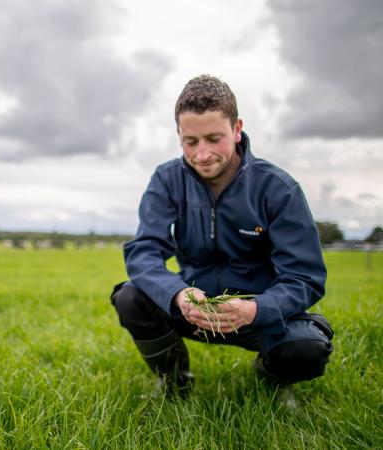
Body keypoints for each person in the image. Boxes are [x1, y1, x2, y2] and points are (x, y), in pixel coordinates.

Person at [111, 75, 333, 396]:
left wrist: (256, 309)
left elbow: (305, 277)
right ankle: (175, 382)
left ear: (237, 128)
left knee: (307, 348)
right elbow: (144, 252)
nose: (202, 154)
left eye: (214, 138)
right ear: (179, 135)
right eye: (191, 142)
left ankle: (271, 379)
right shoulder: (166, 179)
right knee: (130, 297)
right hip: (193, 308)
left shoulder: (278, 189)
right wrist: (178, 294)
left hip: (257, 314)